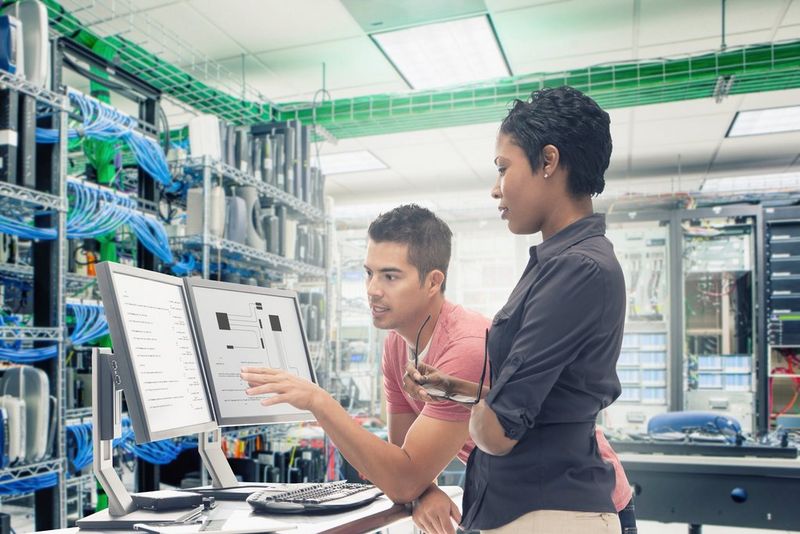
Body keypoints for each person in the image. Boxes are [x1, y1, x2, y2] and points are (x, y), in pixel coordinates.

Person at [242, 204, 636, 534]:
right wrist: (423, 489)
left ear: (433, 282)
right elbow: (401, 460)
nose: (372, 289)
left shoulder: (465, 346)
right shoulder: (397, 344)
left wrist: (318, 401)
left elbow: (402, 476)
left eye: (390, 276)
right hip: (519, 498)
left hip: (580, 503)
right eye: (369, 272)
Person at [405, 86, 631, 533]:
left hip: (548, 513)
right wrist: (457, 389)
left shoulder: (577, 270)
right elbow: (538, 401)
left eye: (503, 168)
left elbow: (497, 433)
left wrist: (475, 417)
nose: (496, 189)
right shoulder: (557, 263)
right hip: (523, 508)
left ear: (548, 161)